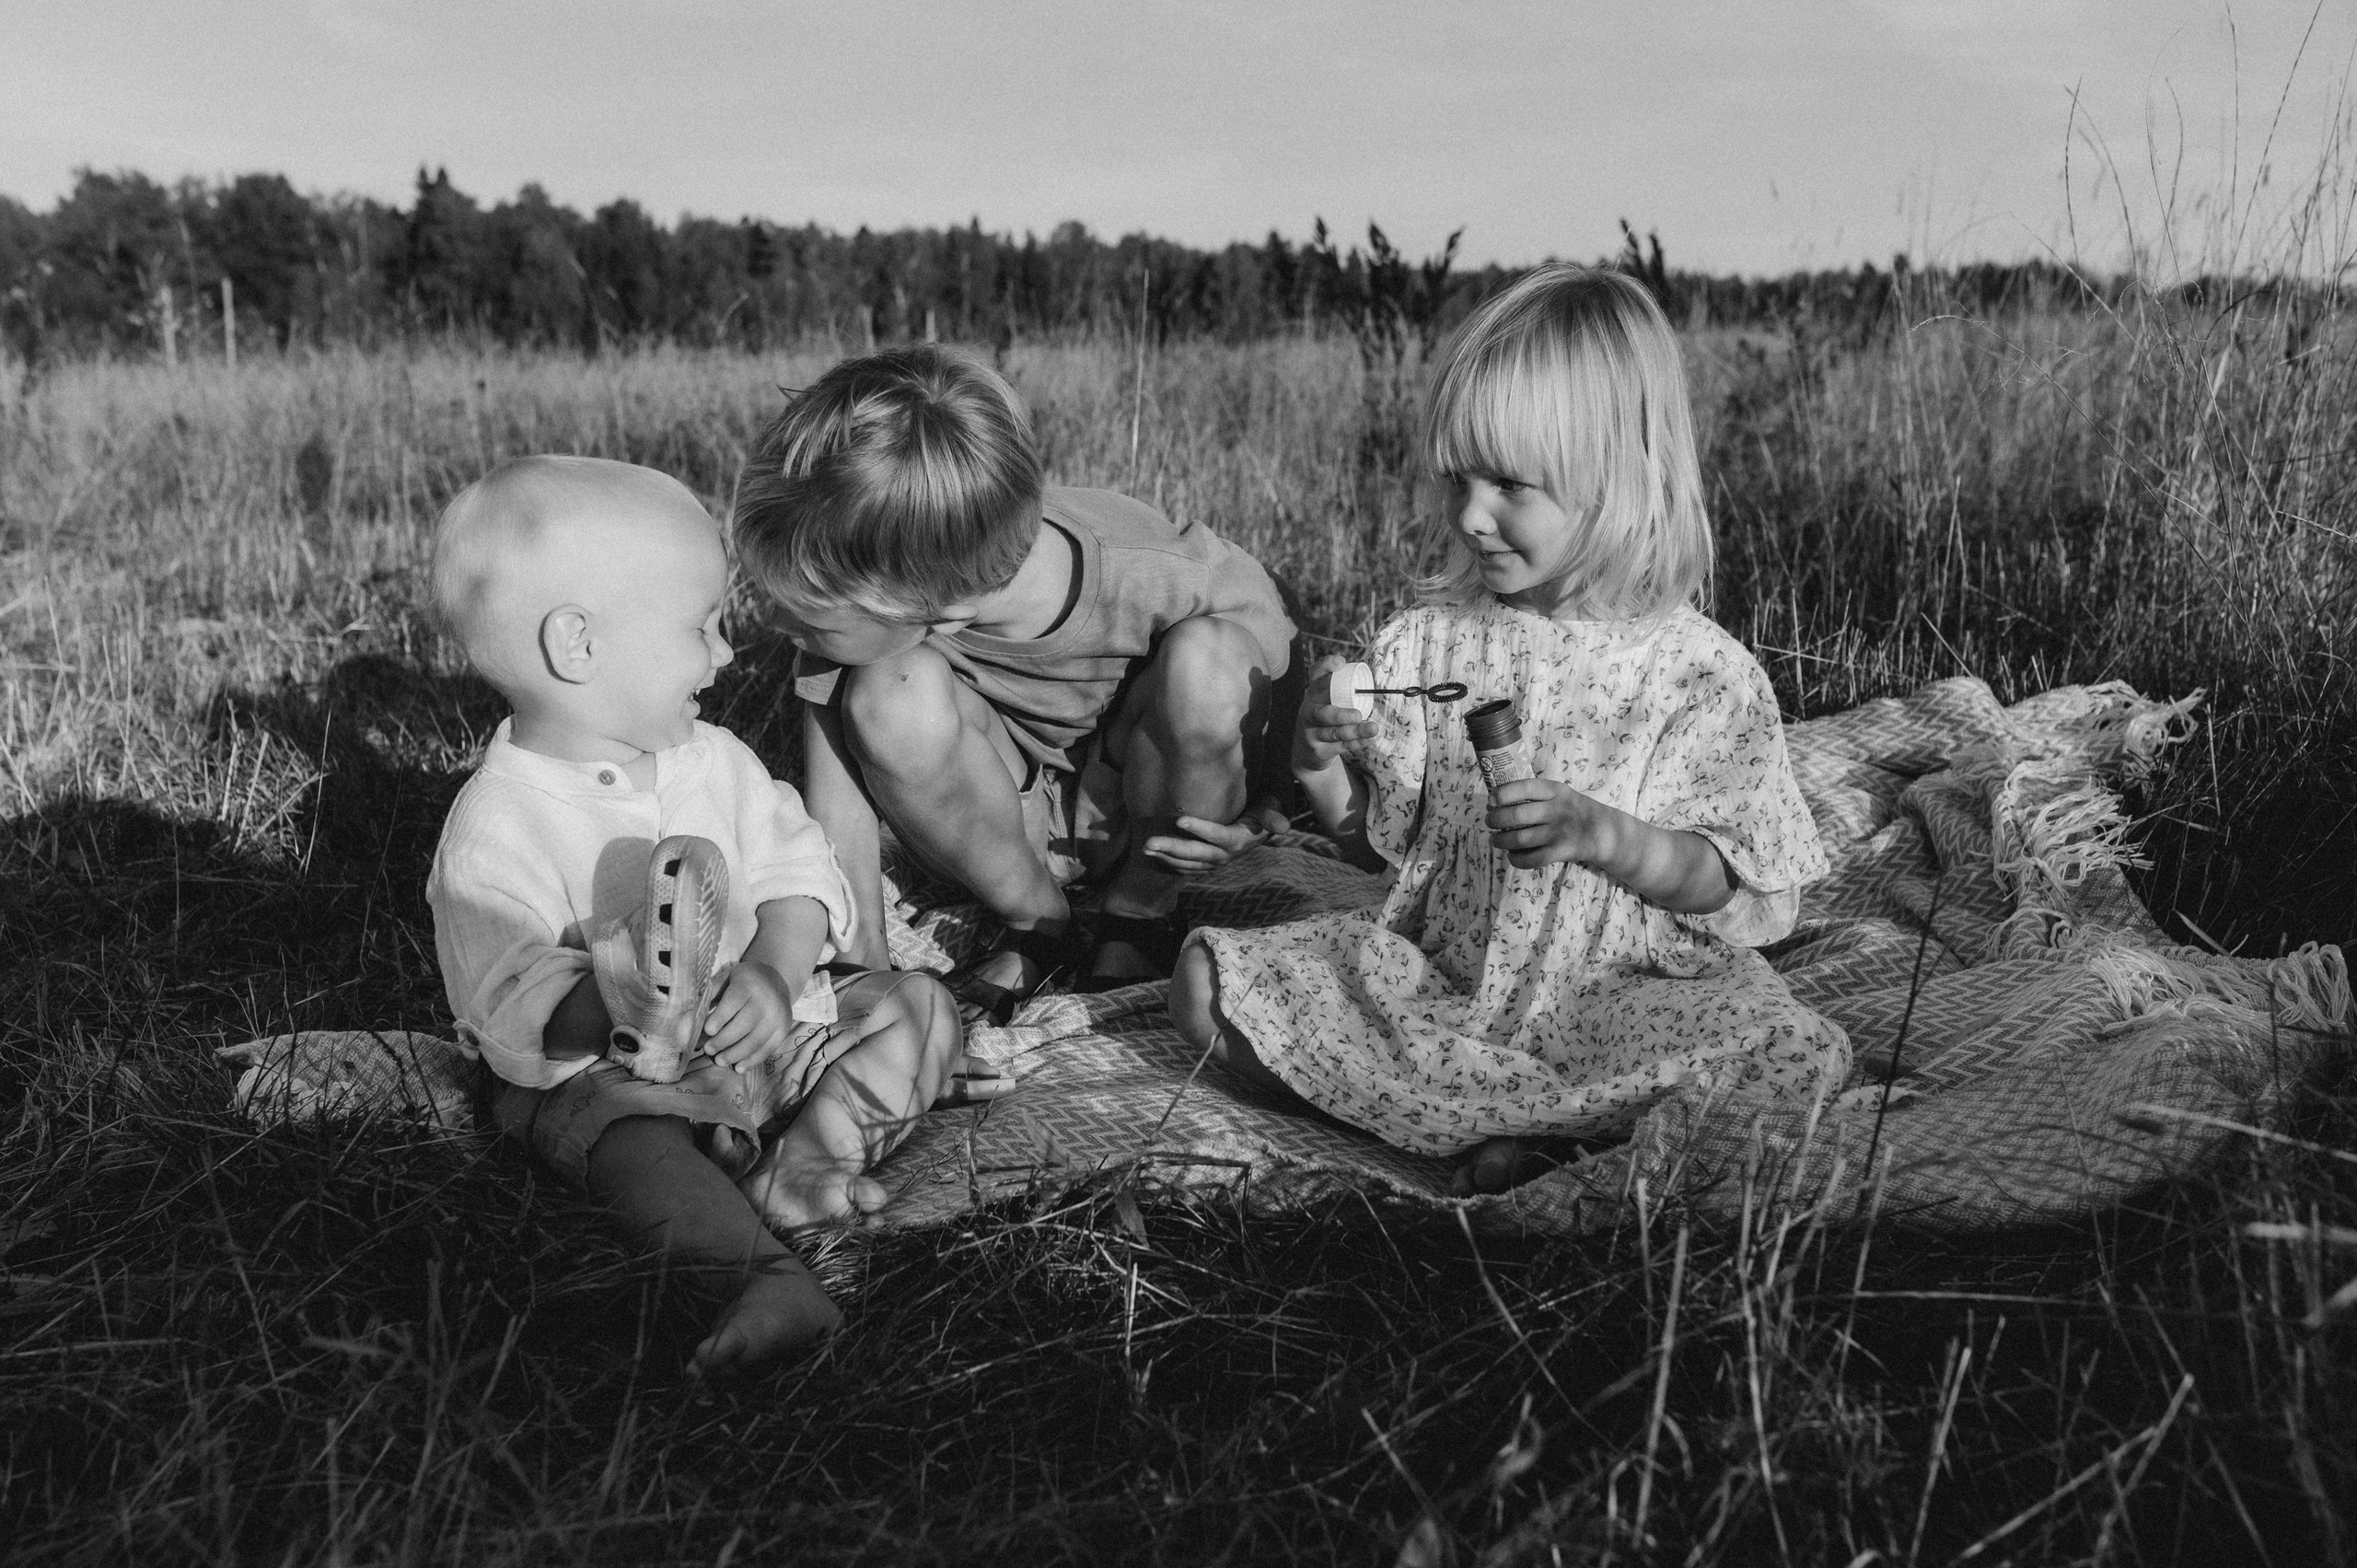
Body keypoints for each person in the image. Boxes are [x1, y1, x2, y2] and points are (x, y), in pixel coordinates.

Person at [1170, 265, 1852, 1195]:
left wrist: (1603, 836)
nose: (1469, 515)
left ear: (1616, 480)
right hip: (1447, 983)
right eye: (1456, 479)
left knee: (1785, 1056)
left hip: (1624, 998)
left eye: (1508, 484)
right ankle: (1522, 1133)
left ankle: (1488, 1130)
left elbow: (1724, 880)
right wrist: (1318, 758)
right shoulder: (1437, 639)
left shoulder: (1697, 674)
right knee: (1206, 985)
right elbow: (1383, 846)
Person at [425, 455, 983, 1381]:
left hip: (763, 1039)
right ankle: (756, 1273)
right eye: (702, 626)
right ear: (578, 645)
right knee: (625, 1136)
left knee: (916, 1005)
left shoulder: (712, 760)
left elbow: (797, 873)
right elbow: (504, 997)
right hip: (618, 1072)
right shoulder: (497, 826)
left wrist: (770, 969)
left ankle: (803, 1167)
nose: (726, 653)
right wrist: (626, 1001)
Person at [731, 345, 1296, 1015]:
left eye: (808, 616)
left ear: (941, 609)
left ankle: (1138, 912)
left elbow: (1272, 653)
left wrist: (1271, 802)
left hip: (1147, 803)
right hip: (1002, 829)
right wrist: (867, 974)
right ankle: (1039, 924)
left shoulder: (1147, 567)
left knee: (1215, 661)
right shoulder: (891, 577)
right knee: (889, 694)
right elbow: (840, 806)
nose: (772, 621)